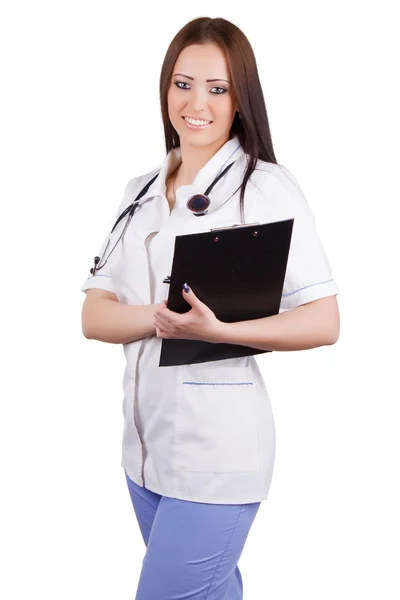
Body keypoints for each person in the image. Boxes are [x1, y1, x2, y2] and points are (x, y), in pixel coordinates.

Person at [80, 16, 340, 600]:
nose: (196, 103)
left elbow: (324, 320)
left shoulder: (265, 187)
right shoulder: (140, 191)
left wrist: (218, 331)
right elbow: (94, 313)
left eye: (217, 89)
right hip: (143, 455)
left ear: (240, 99)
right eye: (183, 83)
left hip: (217, 455)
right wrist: (160, 319)